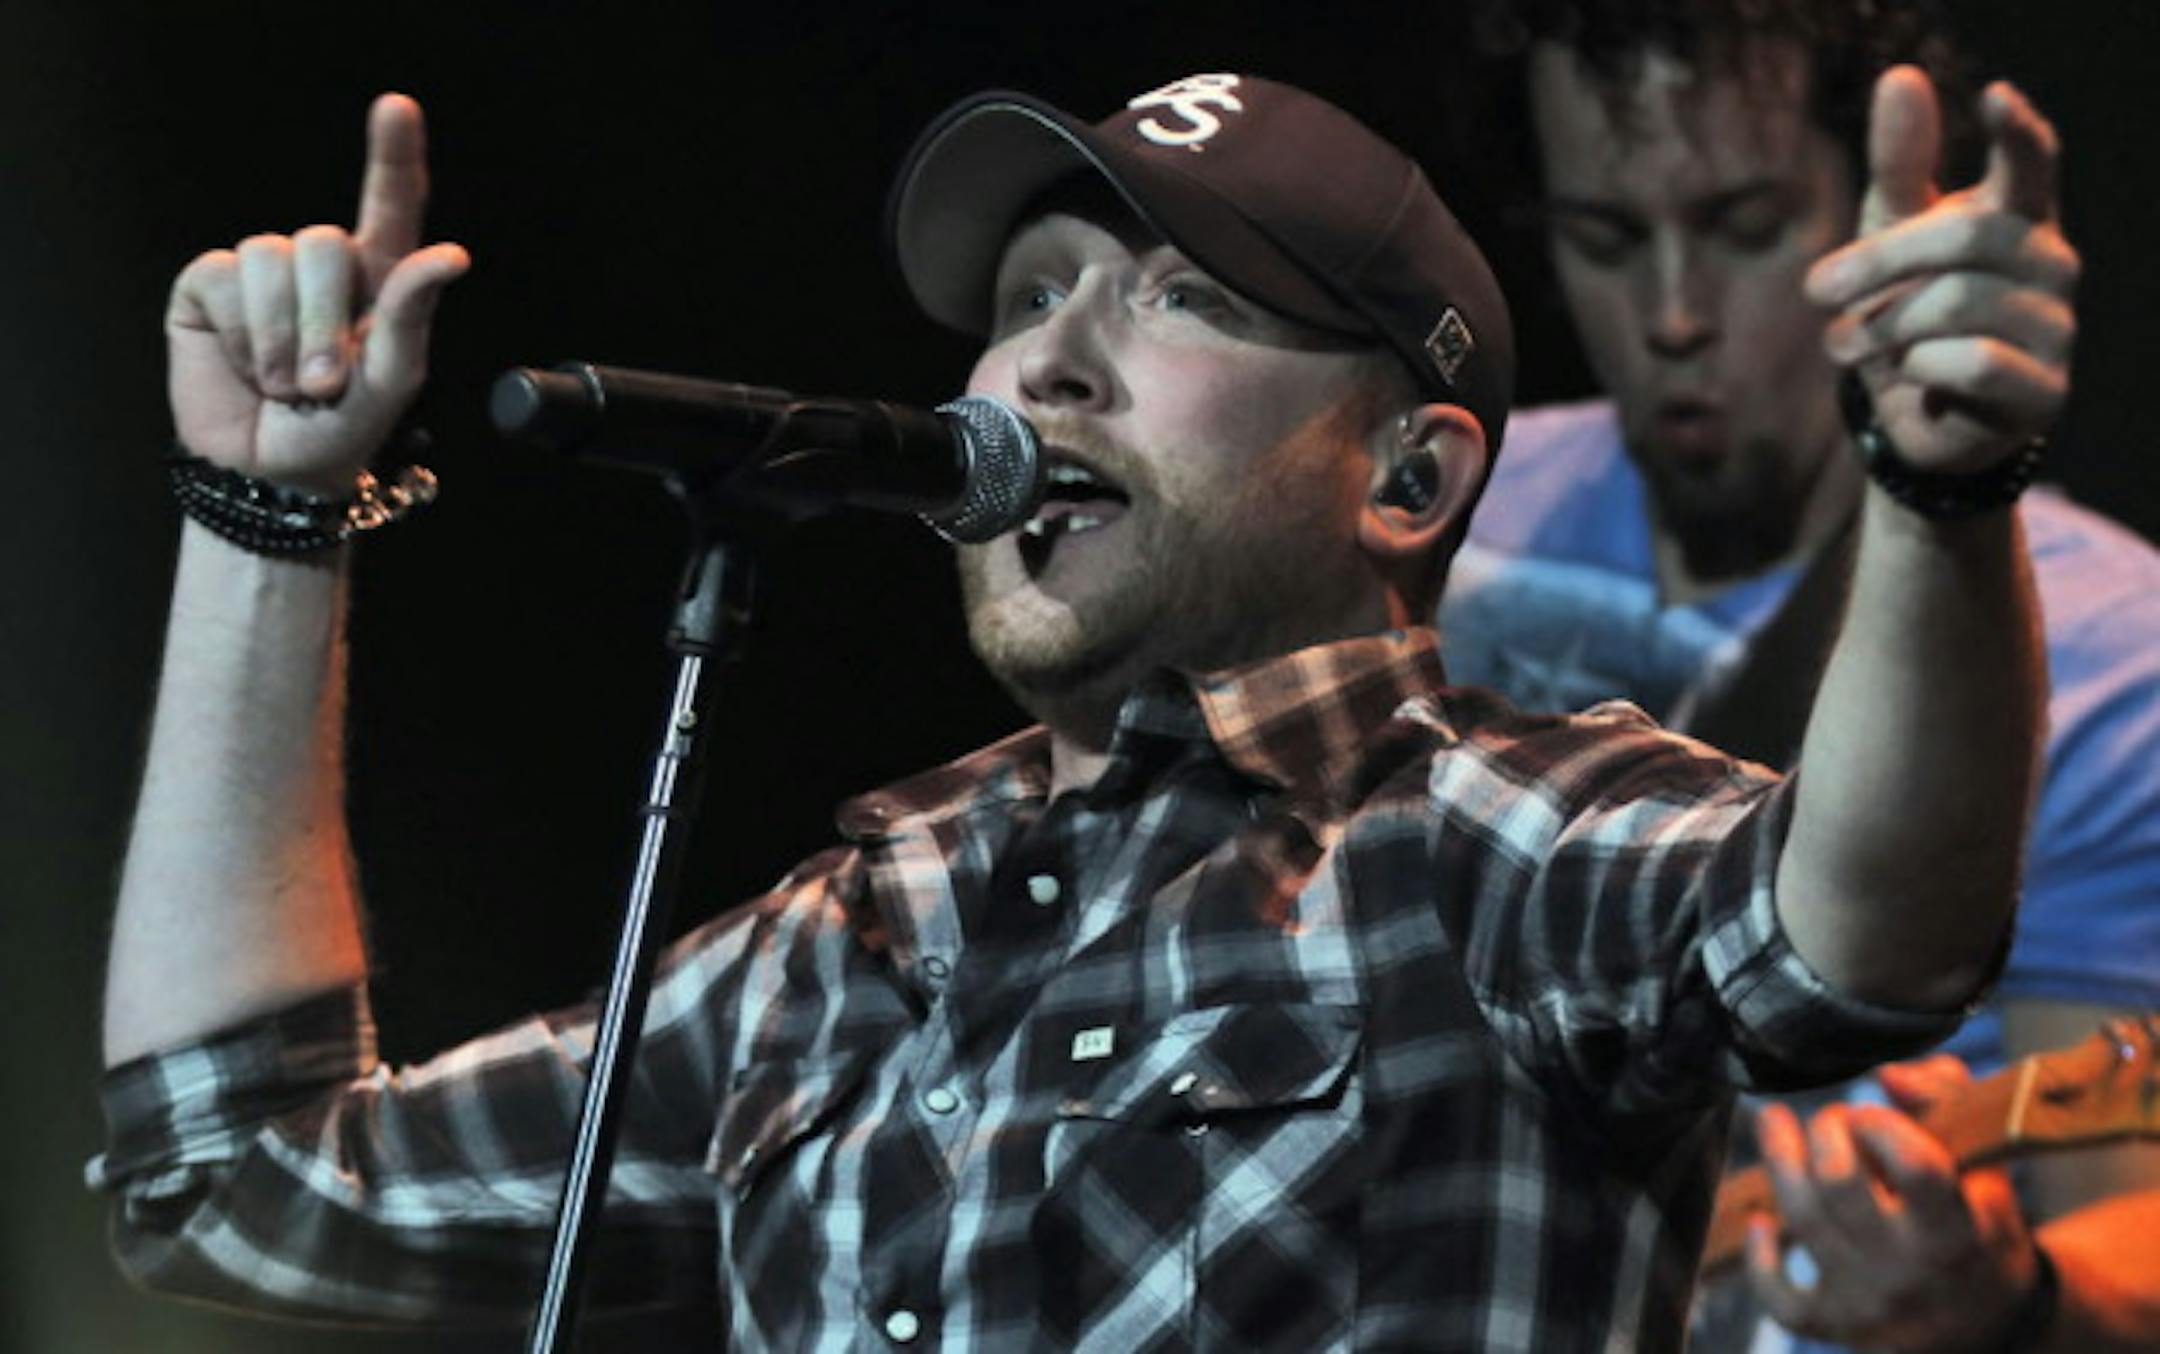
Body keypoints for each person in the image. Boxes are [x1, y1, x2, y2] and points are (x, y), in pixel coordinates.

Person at [94, 68, 2057, 1351]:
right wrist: (264, 516)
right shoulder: (832, 944)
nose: (1050, 361)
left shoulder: (1479, 837)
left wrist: (1935, 486)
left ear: (1411, 477)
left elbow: (1862, 926)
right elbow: (228, 1183)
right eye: (1033, 290)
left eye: (1179, 295)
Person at [1440, 3, 2160, 1349]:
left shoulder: (2104, 645)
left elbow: (2127, 1202)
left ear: (1885, 216)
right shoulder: (1447, 529)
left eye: (1747, 228)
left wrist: (2008, 1300)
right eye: (1605, 238)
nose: (1671, 315)